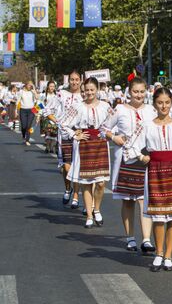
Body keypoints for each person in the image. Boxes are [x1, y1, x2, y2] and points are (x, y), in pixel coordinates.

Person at [124, 87, 172, 272]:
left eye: (167, 102)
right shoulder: (146, 125)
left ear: (171, 103)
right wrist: (142, 157)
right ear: (154, 104)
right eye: (160, 102)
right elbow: (131, 145)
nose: (164, 106)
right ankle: (159, 253)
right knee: (158, 215)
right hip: (155, 172)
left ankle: (168, 255)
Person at [103, 77, 157, 253]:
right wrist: (114, 137)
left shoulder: (151, 110)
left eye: (142, 92)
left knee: (144, 198)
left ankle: (147, 239)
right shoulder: (119, 109)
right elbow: (103, 127)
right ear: (129, 92)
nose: (139, 95)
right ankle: (130, 237)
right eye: (136, 92)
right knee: (127, 201)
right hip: (125, 158)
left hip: (146, 158)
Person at [60, 77, 113, 228]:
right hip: (84, 144)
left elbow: (115, 121)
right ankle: (89, 214)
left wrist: (110, 134)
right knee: (86, 183)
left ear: (97, 90)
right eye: (87, 90)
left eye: (92, 89)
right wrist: (74, 135)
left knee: (101, 183)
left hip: (101, 143)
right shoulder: (78, 107)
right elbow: (63, 123)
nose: (89, 93)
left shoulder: (105, 106)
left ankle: (97, 209)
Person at [44, 71, 83, 207]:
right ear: (69, 81)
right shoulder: (61, 94)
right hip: (64, 134)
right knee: (66, 167)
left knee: (77, 166)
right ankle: (68, 188)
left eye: (77, 79)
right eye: (72, 79)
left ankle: (76, 196)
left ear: (80, 80)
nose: (74, 82)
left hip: (78, 134)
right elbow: (47, 110)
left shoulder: (84, 96)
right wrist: (58, 122)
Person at [17, 81, 39, 146]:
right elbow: (18, 101)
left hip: (31, 110)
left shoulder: (32, 92)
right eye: (29, 85)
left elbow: (37, 98)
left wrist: (34, 90)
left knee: (28, 125)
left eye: (31, 85)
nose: (30, 86)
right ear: (26, 85)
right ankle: (23, 134)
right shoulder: (21, 92)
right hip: (23, 110)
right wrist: (16, 111)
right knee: (24, 126)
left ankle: (27, 140)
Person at [40, 81, 58, 153]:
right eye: (51, 86)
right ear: (48, 87)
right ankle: (47, 146)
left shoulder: (57, 96)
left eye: (53, 86)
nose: (52, 88)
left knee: (54, 132)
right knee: (47, 132)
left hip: (54, 116)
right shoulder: (43, 95)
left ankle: (52, 146)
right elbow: (39, 104)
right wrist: (38, 114)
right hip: (46, 116)